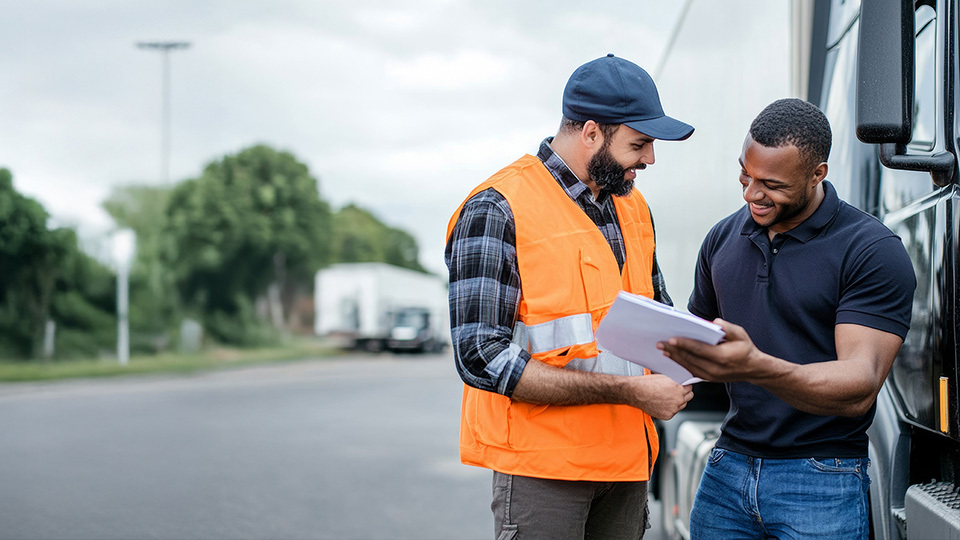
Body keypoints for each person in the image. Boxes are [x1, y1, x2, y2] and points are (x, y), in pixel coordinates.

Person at [444, 54, 695, 540]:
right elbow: (480, 356)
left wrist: (697, 353)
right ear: (592, 133)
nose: (649, 159)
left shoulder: (633, 206)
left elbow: (654, 312)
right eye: (639, 144)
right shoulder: (497, 208)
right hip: (546, 471)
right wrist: (630, 391)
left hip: (626, 466)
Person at [659, 98, 916, 540]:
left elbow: (859, 382)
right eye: (745, 174)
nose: (750, 194)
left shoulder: (871, 250)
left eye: (771, 184)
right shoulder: (722, 238)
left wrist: (755, 366)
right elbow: (695, 343)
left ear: (818, 174)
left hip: (821, 478)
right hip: (727, 470)